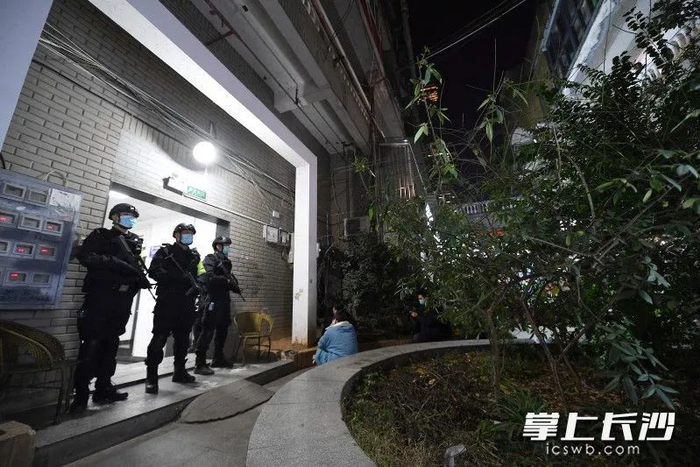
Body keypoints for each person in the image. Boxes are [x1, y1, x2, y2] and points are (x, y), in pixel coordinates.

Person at [70, 203, 151, 413]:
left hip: (121, 300)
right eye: (125, 215)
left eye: (132, 216)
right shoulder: (101, 235)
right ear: (114, 217)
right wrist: (114, 262)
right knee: (91, 345)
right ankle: (80, 395)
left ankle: (103, 388)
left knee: (111, 344)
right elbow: (86, 257)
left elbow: (134, 267)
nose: (130, 219)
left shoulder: (134, 242)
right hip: (100, 297)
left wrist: (138, 280)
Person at [144, 223, 202, 394]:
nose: (188, 236)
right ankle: (151, 377)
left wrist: (199, 285)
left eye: (191, 233)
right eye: (185, 233)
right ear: (176, 234)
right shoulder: (165, 251)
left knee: (183, 339)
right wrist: (175, 277)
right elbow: (153, 271)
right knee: (159, 337)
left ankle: (180, 372)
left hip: (187, 301)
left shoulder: (194, 255)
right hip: (168, 300)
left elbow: (201, 274)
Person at [193, 236, 241, 375]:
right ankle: (200, 363)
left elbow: (227, 279)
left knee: (223, 328)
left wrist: (233, 286)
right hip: (212, 298)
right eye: (226, 245)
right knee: (208, 329)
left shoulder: (227, 262)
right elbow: (208, 277)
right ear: (218, 246)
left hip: (223, 299)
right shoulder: (210, 258)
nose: (228, 248)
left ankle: (218, 358)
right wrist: (226, 282)